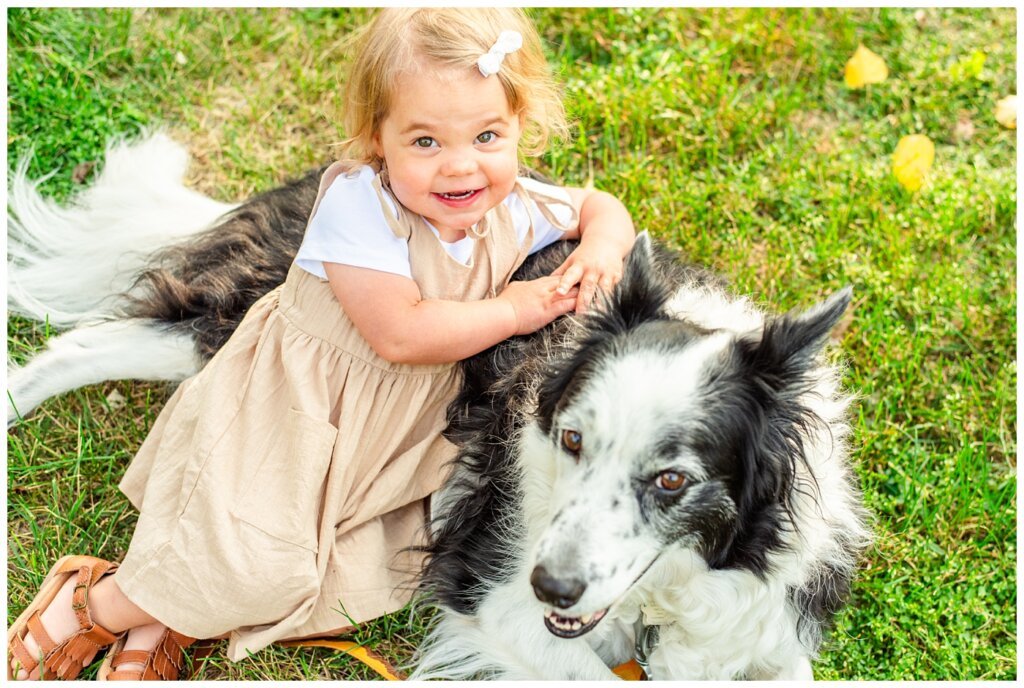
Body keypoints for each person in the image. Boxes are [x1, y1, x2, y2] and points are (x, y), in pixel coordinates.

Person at [7, 7, 636, 681]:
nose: (461, 168)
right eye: (425, 142)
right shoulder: (360, 208)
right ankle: (92, 602)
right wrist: (512, 310)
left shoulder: (513, 207)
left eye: (487, 135)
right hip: (296, 406)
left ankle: (166, 616)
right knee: (250, 549)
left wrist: (602, 245)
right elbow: (400, 333)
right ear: (375, 139)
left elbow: (601, 206)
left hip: (386, 440)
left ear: (519, 128)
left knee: (339, 573)